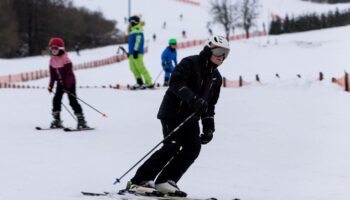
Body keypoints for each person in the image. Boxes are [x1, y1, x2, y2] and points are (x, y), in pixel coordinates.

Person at [126, 36, 230, 197]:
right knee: (172, 146)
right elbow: (175, 83)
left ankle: (165, 180)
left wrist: (209, 128)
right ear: (208, 50)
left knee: (193, 147)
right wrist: (194, 99)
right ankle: (140, 181)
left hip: (191, 119)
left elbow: (209, 107)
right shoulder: (190, 63)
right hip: (173, 113)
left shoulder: (216, 78)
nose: (221, 56)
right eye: (218, 51)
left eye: (225, 53)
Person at [47, 37, 89, 129]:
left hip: (70, 83)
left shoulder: (66, 59)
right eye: (52, 48)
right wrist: (51, 85)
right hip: (60, 84)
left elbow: (69, 75)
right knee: (56, 100)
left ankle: (81, 121)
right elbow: (53, 75)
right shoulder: (52, 60)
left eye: (56, 48)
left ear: (61, 49)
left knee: (72, 101)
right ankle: (57, 120)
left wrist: (67, 86)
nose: (53, 50)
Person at [127, 15, 153, 89]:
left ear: (134, 22)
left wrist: (135, 50)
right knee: (133, 68)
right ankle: (139, 82)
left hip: (137, 53)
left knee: (140, 67)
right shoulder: (132, 31)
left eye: (130, 22)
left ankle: (149, 82)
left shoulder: (138, 30)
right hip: (132, 53)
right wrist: (130, 52)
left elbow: (138, 42)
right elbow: (132, 43)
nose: (129, 24)